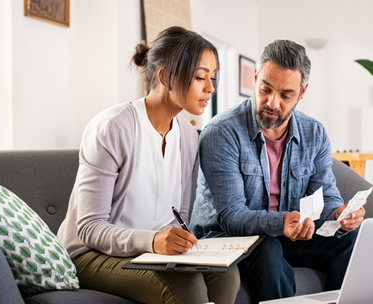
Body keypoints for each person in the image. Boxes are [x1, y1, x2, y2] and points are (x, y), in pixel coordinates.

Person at [57, 26, 240, 304]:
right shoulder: (112, 128)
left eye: (212, 78)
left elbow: (181, 215)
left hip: (150, 253)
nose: (210, 88)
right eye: (200, 77)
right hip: (91, 255)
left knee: (227, 274)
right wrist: (152, 241)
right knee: (186, 286)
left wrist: (181, 241)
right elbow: (90, 228)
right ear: (165, 76)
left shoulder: (189, 136)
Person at [190, 40, 366, 303]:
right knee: (268, 248)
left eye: (285, 95)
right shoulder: (222, 132)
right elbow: (231, 216)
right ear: (254, 78)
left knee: (351, 241)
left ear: (302, 92)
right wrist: (282, 223)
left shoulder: (314, 133)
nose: (272, 103)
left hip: (284, 233)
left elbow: (326, 197)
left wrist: (340, 214)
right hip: (225, 238)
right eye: (265, 89)